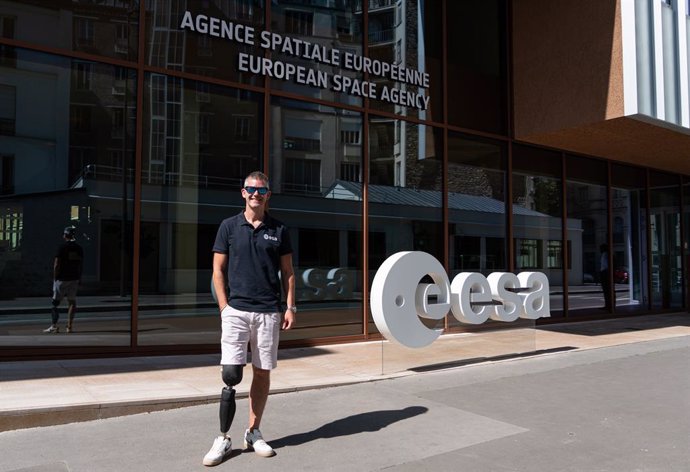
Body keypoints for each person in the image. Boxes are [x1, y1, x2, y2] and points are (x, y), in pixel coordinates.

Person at [203, 171, 296, 467]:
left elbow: (289, 272)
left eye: (261, 190)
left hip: (268, 311)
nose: (256, 194)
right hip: (236, 311)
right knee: (231, 374)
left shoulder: (279, 229)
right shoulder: (228, 226)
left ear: (268, 194)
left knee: (262, 371)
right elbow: (217, 269)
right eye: (250, 189)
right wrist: (224, 307)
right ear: (242, 193)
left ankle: (253, 431)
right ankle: (223, 437)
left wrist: (290, 306)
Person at [43, 226, 83, 334]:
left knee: (55, 303)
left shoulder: (62, 247)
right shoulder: (79, 248)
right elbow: (80, 264)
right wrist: (79, 278)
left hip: (62, 278)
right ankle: (69, 326)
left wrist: (55, 277)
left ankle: (54, 326)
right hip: (74, 278)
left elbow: (57, 264)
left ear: (65, 235)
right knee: (72, 302)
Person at [600, 243, 612, 311]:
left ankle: (608, 305)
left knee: (607, 291)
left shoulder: (605, 255)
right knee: (606, 291)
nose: (600, 250)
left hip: (605, 273)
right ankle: (608, 305)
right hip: (605, 273)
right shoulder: (605, 254)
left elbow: (605, 266)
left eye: (601, 248)